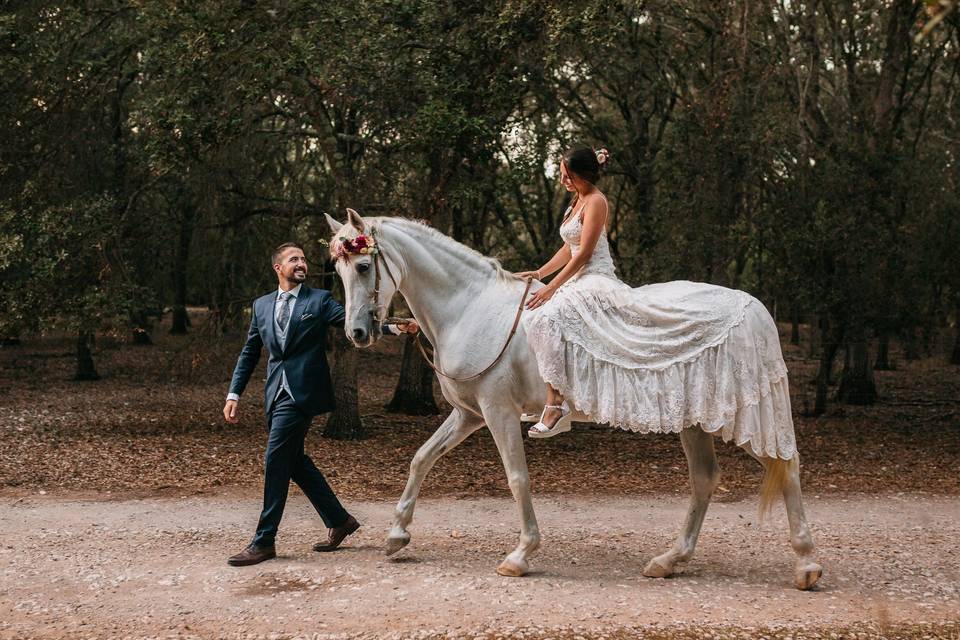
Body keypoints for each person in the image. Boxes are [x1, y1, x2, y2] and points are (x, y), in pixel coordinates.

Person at [517, 146, 794, 452]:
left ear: (581, 175)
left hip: (594, 278)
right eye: (562, 174)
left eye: (567, 175)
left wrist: (551, 288)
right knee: (534, 317)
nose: (563, 180)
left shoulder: (596, 201)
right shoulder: (576, 200)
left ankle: (557, 404)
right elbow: (569, 246)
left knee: (546, 318)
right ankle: (542, 395)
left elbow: (583, 255)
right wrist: (540, 273)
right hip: (578, 277)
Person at [222, 242, 418, 566]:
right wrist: (234, 394)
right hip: (275, 393)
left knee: (275, 460)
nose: (301, 263)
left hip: (303, 393)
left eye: (303, 258)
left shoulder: (319, 300)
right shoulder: (261, 306)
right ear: (278, 268)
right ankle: (340, 521)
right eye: (293, 259)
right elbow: (249, 353)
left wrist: (394, 327)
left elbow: (349, 322)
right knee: (294, 462)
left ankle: (264, 541)